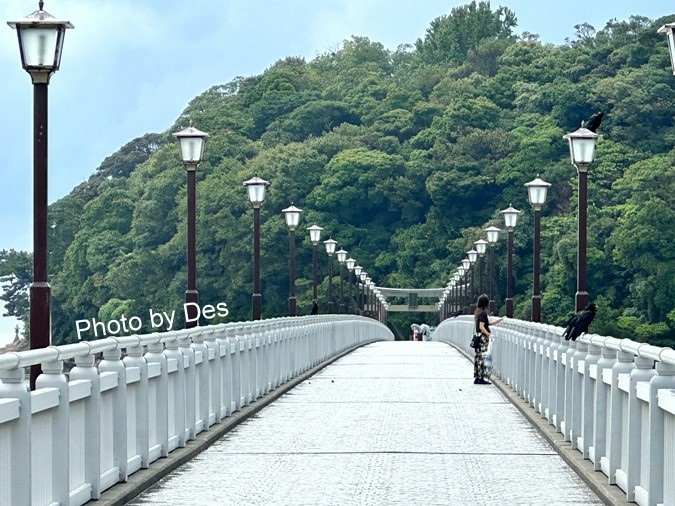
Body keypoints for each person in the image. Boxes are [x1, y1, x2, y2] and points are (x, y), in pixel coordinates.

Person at [473, 294, 505, 385]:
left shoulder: (478, 312)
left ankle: (478, 377)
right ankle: (481, 377)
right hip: (482, 338)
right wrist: (489, 334)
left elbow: (487, 324)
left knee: (478, 356)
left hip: (478, 337)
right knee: (483, 357)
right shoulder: (483, 313)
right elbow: (482, 327)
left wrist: (499, 320)